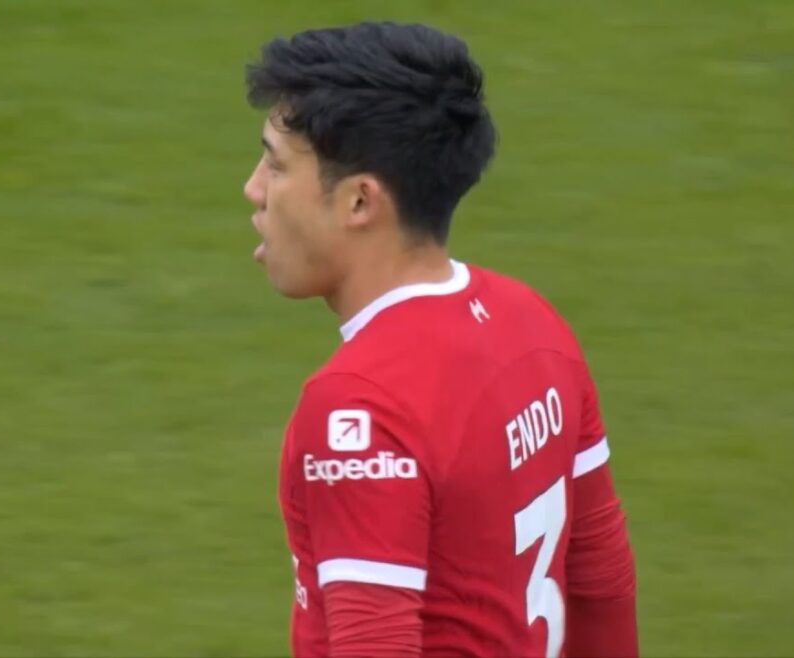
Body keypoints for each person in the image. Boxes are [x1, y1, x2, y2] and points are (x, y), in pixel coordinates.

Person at [241, 21, 638, 658]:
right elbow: (600, 578)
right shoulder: (532, 321)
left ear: (360, 202)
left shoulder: (359, 408)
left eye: (277, 165)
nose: (254, 189)